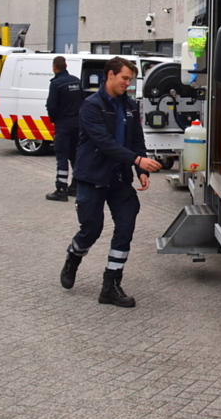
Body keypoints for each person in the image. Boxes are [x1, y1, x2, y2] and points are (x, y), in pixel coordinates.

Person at [60, 57, 161, 307]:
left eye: (130, 79)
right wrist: (137, 160)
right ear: (110, 75)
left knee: (125, 227)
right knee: (91, 230)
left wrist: (141, 169)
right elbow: (104, 142)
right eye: (124, 78)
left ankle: (111, 285)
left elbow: (136, 139)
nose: (128, 83)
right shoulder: (91, 105)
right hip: (92, 177)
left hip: (119, 179)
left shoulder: (130, 106)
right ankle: (73, 257)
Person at [45, 55, 83, 201]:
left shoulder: (56, 84)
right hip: (77, 125)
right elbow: (83, 101)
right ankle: (76, 186)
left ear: (54, 67)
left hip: (63, 125)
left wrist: (54, 120)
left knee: (61, 155)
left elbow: (51, 106)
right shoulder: (76, 81)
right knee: (75, 155)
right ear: (66, 66)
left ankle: (61, 189)